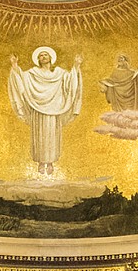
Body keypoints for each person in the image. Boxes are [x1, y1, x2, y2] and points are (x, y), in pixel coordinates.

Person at [7, 47, 82, 175]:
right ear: (38, 59)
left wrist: (76, 65)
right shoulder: (32, 73)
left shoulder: (59, 73)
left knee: (52, 136)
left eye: (45, 55)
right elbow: (20, 79)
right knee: (40, 135)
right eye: (41, 55)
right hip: (38, 110)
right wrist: (14, 65)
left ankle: (51, 162)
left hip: (54, 110)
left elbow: (70, 81)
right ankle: (41, 163)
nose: (43, 57)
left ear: (51, 58)